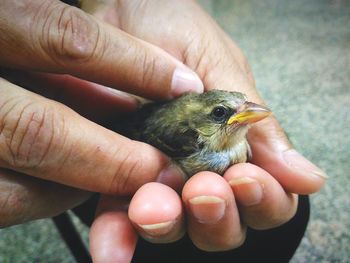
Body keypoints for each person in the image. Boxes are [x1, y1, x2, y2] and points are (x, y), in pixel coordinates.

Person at [0, 0, 327, 262]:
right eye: (223, 114)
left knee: (284, 211)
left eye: (241, 108)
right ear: (198, 127)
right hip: (117, 138)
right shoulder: (186, 137)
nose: (245, 116)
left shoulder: (229, 138)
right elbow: (131, 134)